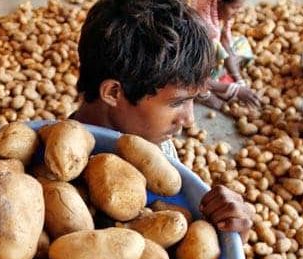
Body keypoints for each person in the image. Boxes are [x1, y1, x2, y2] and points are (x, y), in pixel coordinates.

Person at [71, 0, 253, 240]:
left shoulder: (152, 141)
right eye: (177, 102)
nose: (189, 120)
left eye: (194, 100)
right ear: (114, 93)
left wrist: (230, 227)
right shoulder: (64, 171)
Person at [190, 0, 260, 110]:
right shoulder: (200, 24)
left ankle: (217, 76)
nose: (238, 12)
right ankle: (203, 95)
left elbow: (226, 44)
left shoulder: (218, 12)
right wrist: (234, 90)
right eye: (235, 8)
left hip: (209, 53)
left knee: (242, 44)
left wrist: (238, 79)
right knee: (192, 79)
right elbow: (190, 71)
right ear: (220, 3)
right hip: (191, 67)